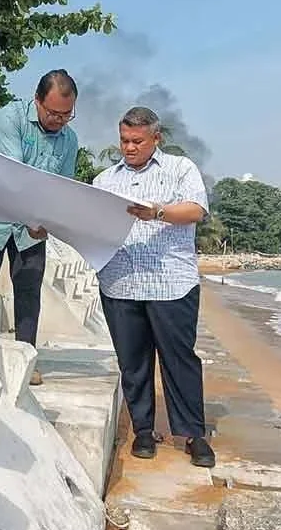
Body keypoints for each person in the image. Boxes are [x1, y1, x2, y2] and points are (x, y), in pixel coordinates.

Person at [92, 106, 215, 468]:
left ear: (156, 139)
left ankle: (194, 434)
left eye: (138, 141)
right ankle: (143, 431)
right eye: (124, 141)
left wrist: (157, 212)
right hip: (120, 283)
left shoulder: (180, 169)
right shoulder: (104, 180)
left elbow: (195, 210)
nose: (129, 148)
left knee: (180, 360)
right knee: (133, 362)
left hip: (171, 284)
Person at [0, 69, 79, 386]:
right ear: (37, 100)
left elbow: (61, 186)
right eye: (52, 112)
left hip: (32, 230)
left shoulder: (69, 139)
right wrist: (36, 216)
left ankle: (25, 360)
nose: (59, 120)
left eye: (66, 115)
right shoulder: (9, 118)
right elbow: (15, 174)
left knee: (28, 293)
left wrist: (50, 220)